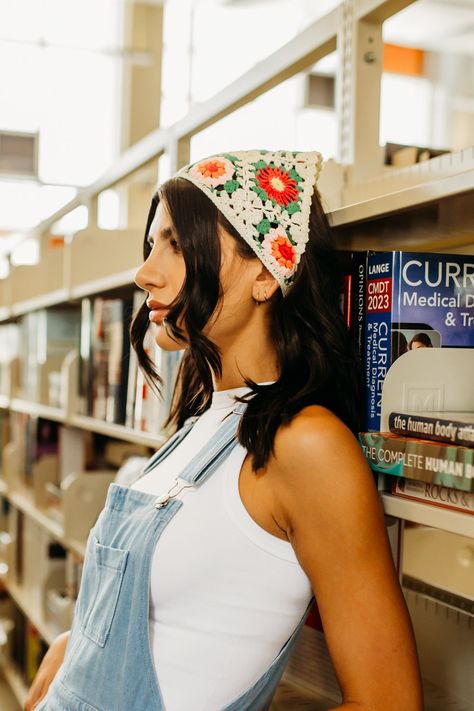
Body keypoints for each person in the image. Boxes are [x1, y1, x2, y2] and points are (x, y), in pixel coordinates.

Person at [26, 150, 423, 711]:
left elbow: (389, 703)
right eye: (151, 246)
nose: (145, 273)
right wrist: (77, 647)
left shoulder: (306, 446)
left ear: (265, 272)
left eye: (178, 246)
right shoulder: (201, 424)